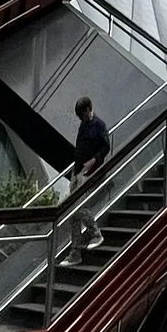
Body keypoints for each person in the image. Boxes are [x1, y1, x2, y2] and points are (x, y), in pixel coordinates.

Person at [70, 96, 111, 255]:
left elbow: (106, 147)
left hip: (89, 172)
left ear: (88, 109)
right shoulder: (83, 125)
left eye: (82, 115)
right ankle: (75, 252)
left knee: (78, 208)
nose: (82, 118)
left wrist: (93, 161)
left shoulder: (98, 125)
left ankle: (95, 233)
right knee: (71, 214)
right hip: (78, 171)